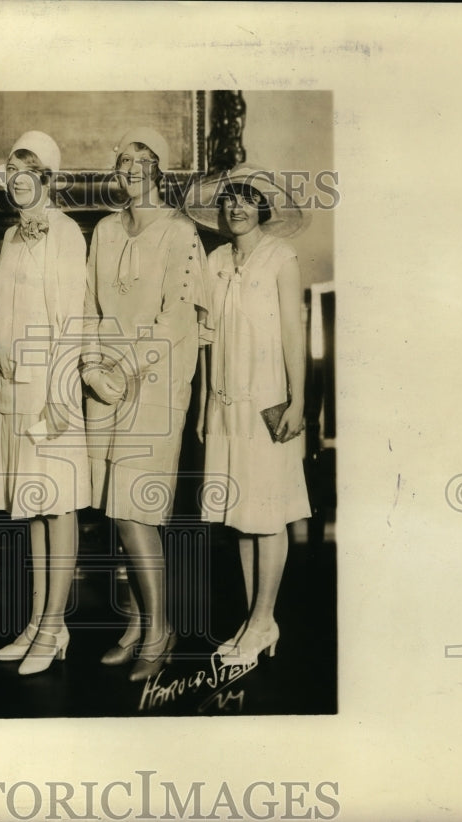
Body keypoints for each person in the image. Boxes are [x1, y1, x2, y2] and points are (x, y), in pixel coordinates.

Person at [0, 131, 90, 675]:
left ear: (47, 179)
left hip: (48, 392)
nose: (16, 179)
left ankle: (56, 627)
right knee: (30, 507)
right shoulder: (13, 238)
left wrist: (60, 399)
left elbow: (71, 323)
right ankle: (38, 624)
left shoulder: (65, 234)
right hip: (11, 390)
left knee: (57, 506)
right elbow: (14, 317)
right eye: (11, 169)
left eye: (27, 169)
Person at [82, 127, 207, 682]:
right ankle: (135, 624)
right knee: (116, 508)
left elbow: (177, 319)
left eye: (141, 161)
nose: (130, 170)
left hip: (153, 382)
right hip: (103, 384)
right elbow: (87, 305)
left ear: (158, 169)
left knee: (137, 511)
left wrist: (124, 368)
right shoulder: (106, 230)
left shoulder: (181, 234)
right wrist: (91, 366)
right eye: (122, 160)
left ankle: (161, 630)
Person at [185, 163, 312, 666]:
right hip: (223, 401)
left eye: (246, 199)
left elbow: (293, 337)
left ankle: (264, 620)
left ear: (262, 207)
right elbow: (204, 339)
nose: (236, 207)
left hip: (267, 402)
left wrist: (298, 400)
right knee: (238, 516)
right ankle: (252, 620)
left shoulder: (282, 257)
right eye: (228, 199)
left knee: (267, 513)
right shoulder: (214, 260)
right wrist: (201, 407)